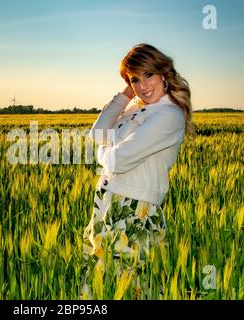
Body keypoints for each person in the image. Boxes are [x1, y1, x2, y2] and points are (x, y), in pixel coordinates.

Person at [81, 43, 194, 299]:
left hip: (135, 210)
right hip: (107, 204)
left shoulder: (169, 115)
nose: (142, 85)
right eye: (135, 79)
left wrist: (102, 153)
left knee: (133, 285)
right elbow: (97, 133)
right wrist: (125, 93)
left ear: (164, 73)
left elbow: (118, 161)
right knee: (100, 283)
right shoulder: (136, 108)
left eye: (148, 75)